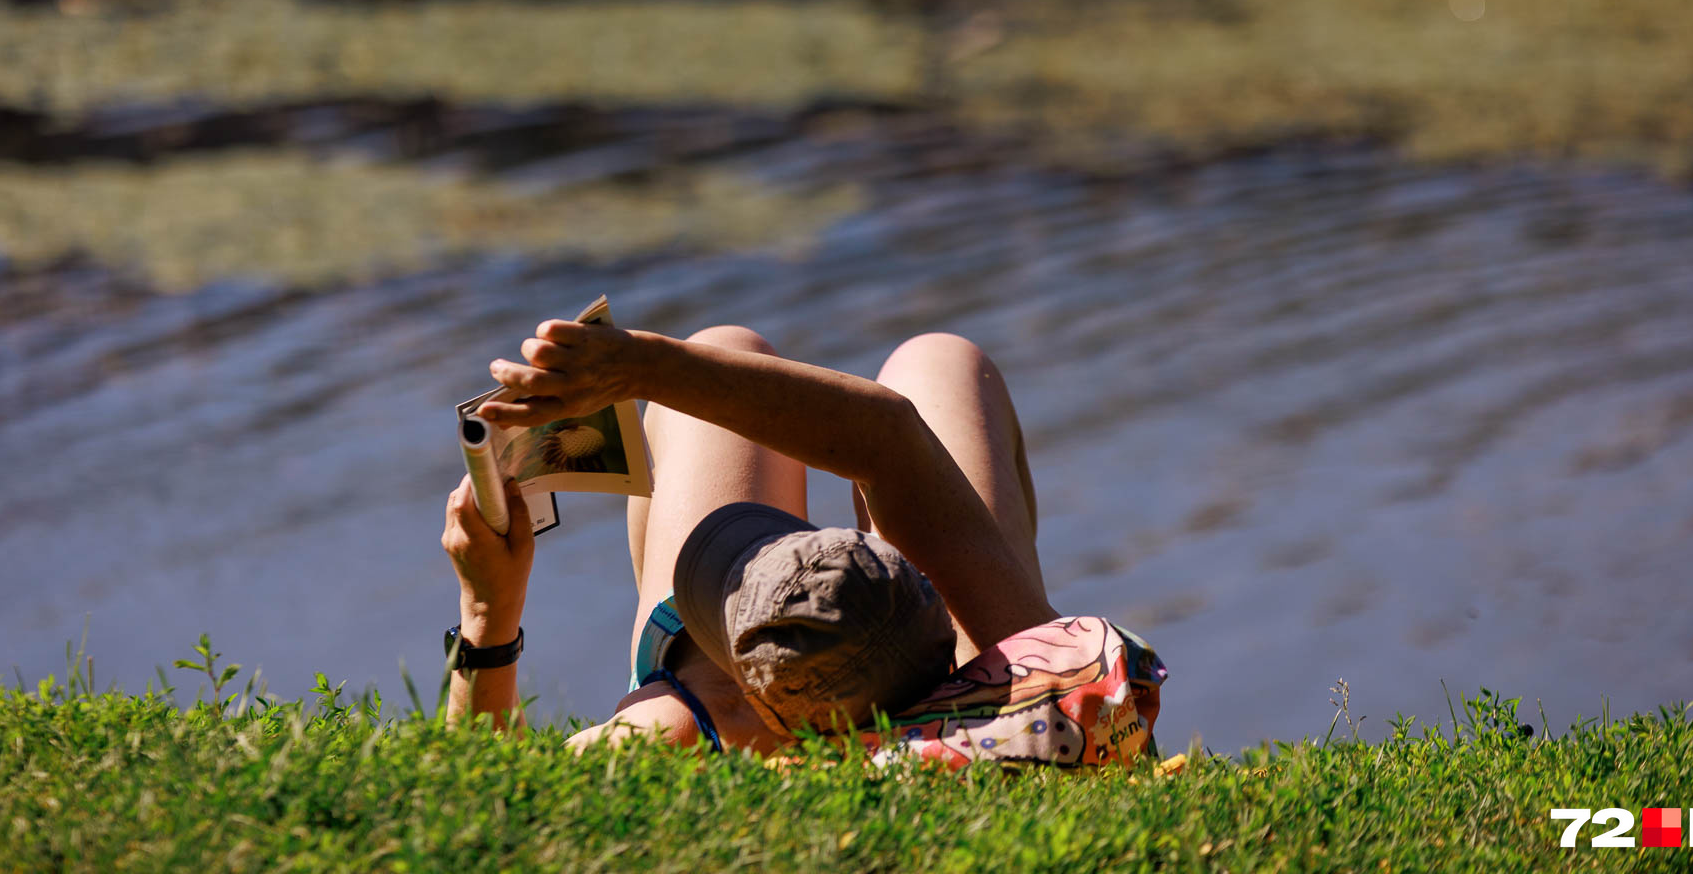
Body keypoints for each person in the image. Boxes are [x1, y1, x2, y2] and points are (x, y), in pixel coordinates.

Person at [439, 321, 1167, 766]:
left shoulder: (671, 735)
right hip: (947, 679)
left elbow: (481, 795)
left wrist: (487, 615)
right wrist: (646, 365)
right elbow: (891, 439)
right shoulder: (1030, 685)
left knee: (726, 347)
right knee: (941, 360)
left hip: (717, 705)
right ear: (918, 590)